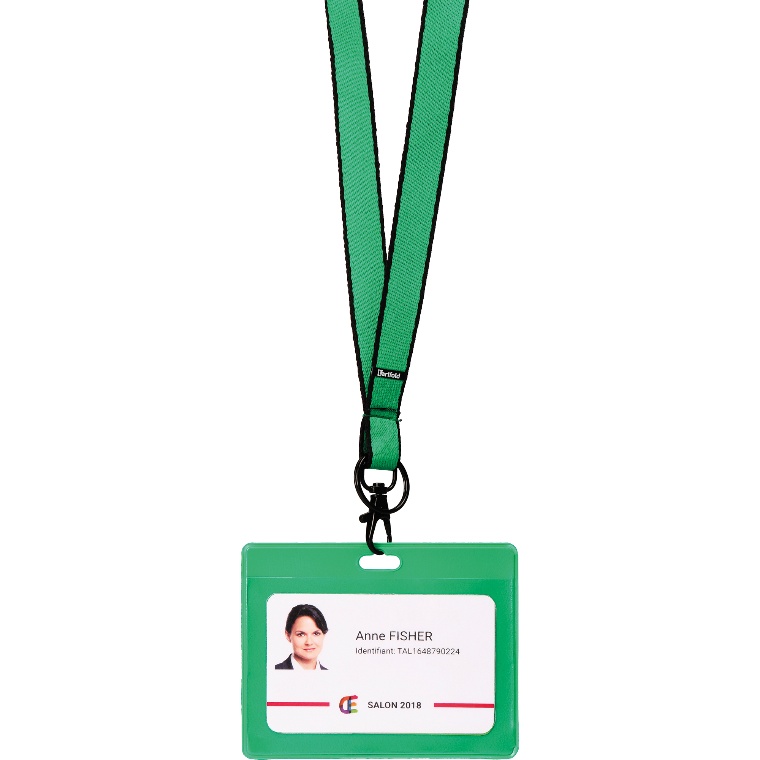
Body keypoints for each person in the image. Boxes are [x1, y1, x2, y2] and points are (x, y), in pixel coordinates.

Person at [274, 603, 329, 670]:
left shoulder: (332, 675)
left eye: (316, 633)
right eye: (301, 634)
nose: (309, 642)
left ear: (324, 635)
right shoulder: (272, 672)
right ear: (288, 635)